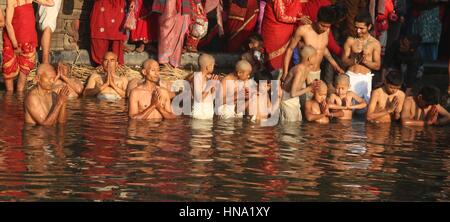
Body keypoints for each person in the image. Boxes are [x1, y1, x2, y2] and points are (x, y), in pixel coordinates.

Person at [282, 6, 344, 88]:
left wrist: (336, 66)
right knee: (295, 98)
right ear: (316, 20)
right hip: (302, 72)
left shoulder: (327, 31)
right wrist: (285, 72)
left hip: (316, 73)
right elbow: (290, 49)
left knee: (312, 99)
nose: (324, 29)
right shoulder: (303, 30)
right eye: (322, 25)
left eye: (327, 26)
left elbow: (323, 49)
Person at [2, 0, 54, 93]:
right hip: (12, 41)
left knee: (21, 83)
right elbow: (8, 24)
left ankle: (19, 102)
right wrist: (15, 45)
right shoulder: (11, 1)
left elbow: (51, 3)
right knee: (8, 74)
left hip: (28, 42)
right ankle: (9, 103)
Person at [341, 12, 381, 103]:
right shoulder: (350, 40)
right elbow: (343, 60)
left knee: (363, 111)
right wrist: (354, 59)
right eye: (356, 27)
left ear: (369, 26)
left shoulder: (375, 43)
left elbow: (377, 66)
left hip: (364, 80)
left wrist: (365, 61)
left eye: (361, 28)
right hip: (350, 77)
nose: (358, 31)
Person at [261, 0, 311, 72]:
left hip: (286, 31)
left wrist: (301, 17)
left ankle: (281, 80)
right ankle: (268, 79)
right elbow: (280, 16)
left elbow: (296, 10)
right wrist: (298, 19)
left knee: (284, 59)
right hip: (274, 31)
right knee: (270, 61)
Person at [153, 0, 203, 68]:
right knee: (165, 28)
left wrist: (198, 3)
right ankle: (163, 60)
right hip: (167, 3)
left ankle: (174, 62)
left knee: (179, 31)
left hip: (183, 4)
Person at [280, 45, 317, 122]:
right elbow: (292, 94)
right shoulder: (299, 71)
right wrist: (308, 88)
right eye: (315, 56)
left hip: (295, 100)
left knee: (297, 123)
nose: (317, 58)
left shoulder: (307, 68)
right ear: (309, 58)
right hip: (287, 100)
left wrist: (312, 86)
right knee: (290, 127)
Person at [90, 0, 127, 65]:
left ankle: (116, 66)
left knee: (117, 38)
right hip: (102, 4)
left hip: (118, 5)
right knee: (99, 36)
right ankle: (100, 64)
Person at [192, 54, 219, 120]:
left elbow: (211, 97)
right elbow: (199, 99)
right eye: (212, 65)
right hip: (199, 116)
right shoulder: (197, 77)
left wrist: (213, 86)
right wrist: (209, 85)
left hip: (208, 114)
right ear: (207, 67)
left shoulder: (208, 77)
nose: (213, 67)